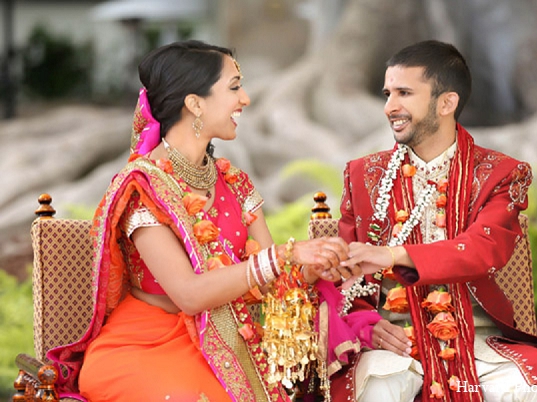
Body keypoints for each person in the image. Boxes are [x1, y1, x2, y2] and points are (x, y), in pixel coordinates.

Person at [45, 40, 356, 402]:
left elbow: (273, 280)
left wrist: (319, 261)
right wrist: (287, 255)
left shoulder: (234, 182)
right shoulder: (142, 188)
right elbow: (190, 295)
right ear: (194, 103)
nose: (246, 100)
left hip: (226, 336)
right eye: (235, 87)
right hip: (145, 344)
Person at [328, 40, 537, 402]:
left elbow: (482, 249)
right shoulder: (362, 176)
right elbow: (345, 277)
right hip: (393, 348)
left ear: (447, 102)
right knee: (375, 392)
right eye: (387, 93)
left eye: (404, 93)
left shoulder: (500, 174)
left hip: (481, 345)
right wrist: (367, 326)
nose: (389, 107)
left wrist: (394, 256)